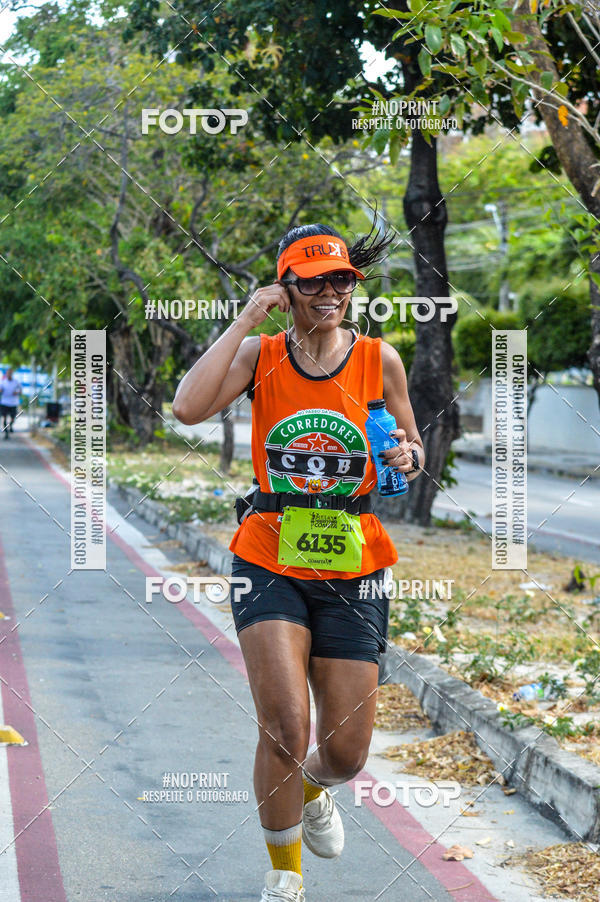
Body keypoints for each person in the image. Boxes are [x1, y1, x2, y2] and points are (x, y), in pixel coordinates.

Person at [172, 220, 425, 901]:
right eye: (312, 280)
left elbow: (411, 445)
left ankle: (315, 785)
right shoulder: (261, 356)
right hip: (270, 555)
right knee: (285, 726)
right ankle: (285, 878)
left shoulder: (381, 360)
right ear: (286, 287)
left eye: (340, 278)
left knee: (346, 751)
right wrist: (245, 320)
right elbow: (188, 407)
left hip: (356, 564)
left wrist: (407, 455)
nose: (329, 292)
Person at [0, 368, 21, 440]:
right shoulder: (3, 382)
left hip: (13, 403)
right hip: (4, 402)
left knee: (13, 418)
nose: (9, 375)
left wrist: (17, 392)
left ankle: (10, 426)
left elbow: (20, 390)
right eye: (7, 373)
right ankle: (6, 433)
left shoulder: (16, 382)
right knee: (4, 418)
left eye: (10, 373)